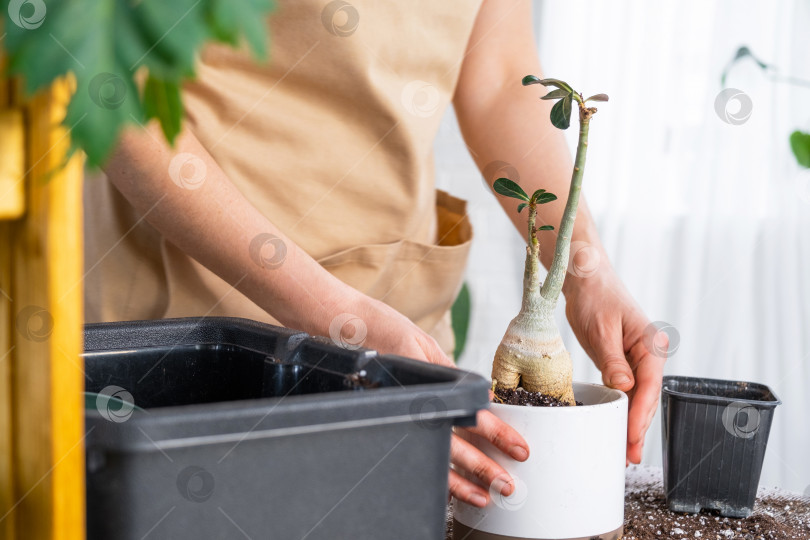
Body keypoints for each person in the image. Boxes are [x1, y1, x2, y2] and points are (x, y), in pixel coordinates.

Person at [85, 0, 665, 508]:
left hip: (398, 338)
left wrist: (586, 269)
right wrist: (339, 317)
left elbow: (499, 79)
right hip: (196, 331)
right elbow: (109, 93)